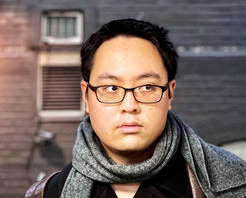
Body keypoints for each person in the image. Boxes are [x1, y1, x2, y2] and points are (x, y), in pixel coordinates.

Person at [26, 18, 246, 198]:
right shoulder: (48, 193)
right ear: (86, 96)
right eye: (111, 88)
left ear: (170, 94)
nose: (129, 106)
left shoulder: (236, 183)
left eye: (147, 87)